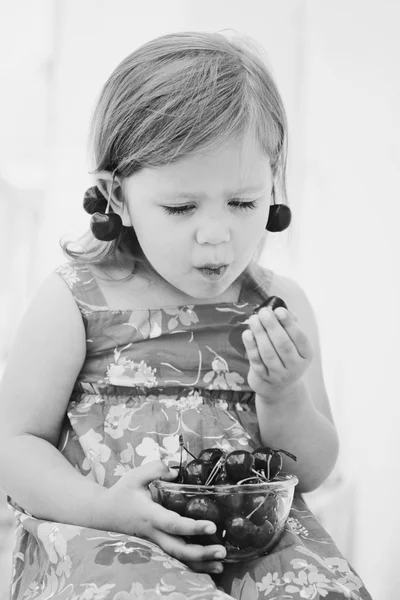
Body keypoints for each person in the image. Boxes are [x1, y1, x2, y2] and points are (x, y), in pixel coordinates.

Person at [0, 31, 372, 600]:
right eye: (180, 207)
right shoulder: (76, 300)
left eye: (244, 202)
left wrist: (282, 393)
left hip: (256, 540)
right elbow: (14, 443)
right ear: (116, 196)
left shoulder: (279, 305)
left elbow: (315, 469)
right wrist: (102, 508)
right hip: (107, 536)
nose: (217, 233)